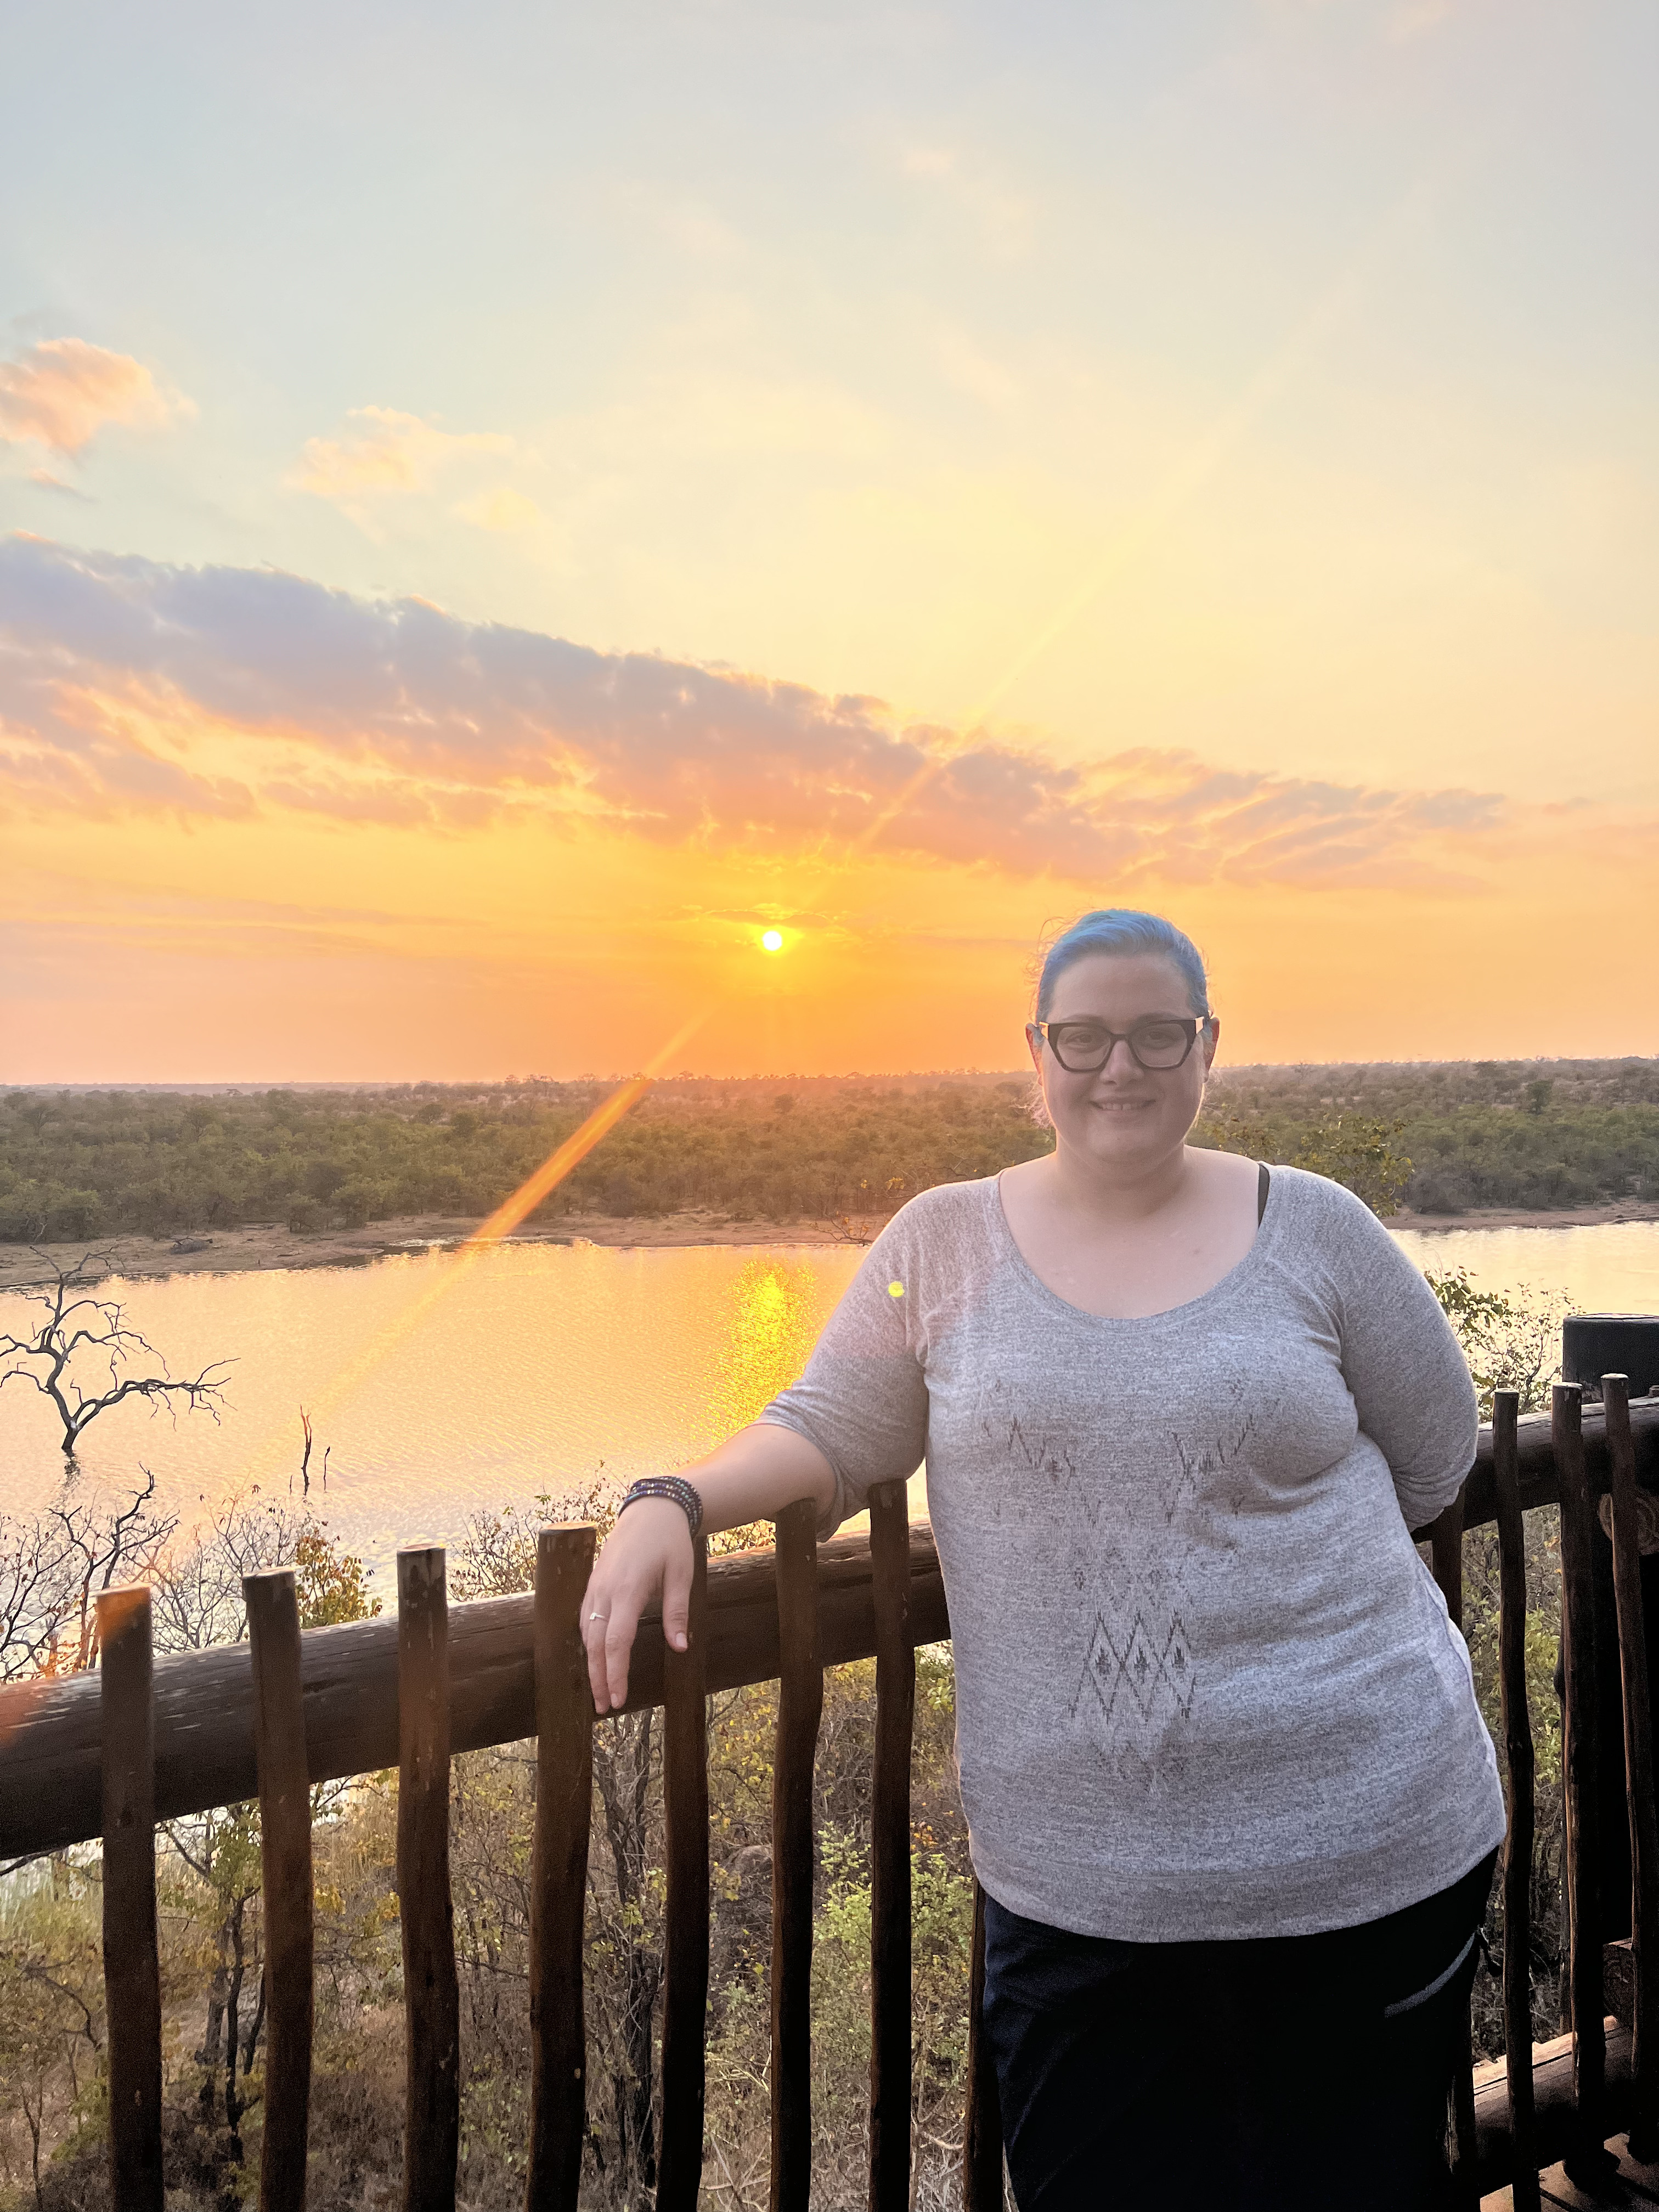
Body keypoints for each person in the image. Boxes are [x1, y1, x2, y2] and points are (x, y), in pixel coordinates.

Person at [580, 907, 1504, 2211]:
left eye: (1154, 1033)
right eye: (1083, 1036)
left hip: (1365, 1852)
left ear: (1205, 1049)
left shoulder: (1318, 1233)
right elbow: (830, 1424)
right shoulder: (941, 1244)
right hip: (1083, 1892)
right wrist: (673, 1497)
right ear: (1036, 1053)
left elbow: (1436, 1456)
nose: (1117, 1066)